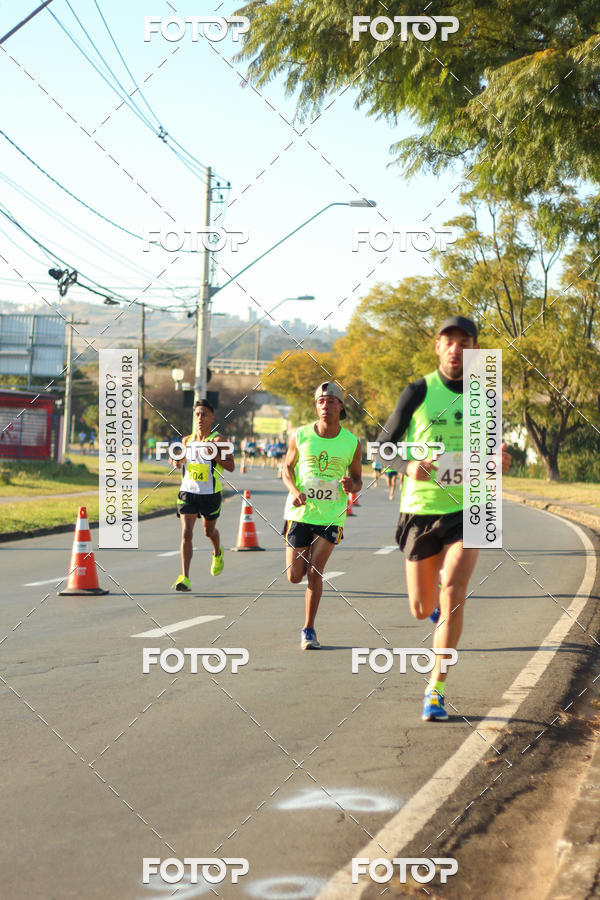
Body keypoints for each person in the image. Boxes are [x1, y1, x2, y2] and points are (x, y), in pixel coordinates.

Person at [375, 316, 511, 721]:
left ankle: (436, 687)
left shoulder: (484, 395)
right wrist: (407, 465)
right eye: (448, 342)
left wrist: (500, 460)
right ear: (437, 348)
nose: (456, 349)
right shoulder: (418, 391)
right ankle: (432, 608)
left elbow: (492, 454)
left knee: (453, 587)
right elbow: (382, 448)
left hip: (470, 505)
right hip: (420, 509)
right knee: (421, 608)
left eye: (464, 342)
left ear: (474, 349)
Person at [282, 382, 363, 649]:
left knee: (315, 571)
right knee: (295, 575)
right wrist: (293, 489)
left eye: (330, 401)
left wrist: (352, 486)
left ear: (341, 406)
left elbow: (359, 480)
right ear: (316, 406)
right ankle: (301, 569)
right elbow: (286, 468)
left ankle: (308, 630)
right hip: (301, 512)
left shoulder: (351, 442)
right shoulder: (301, 435)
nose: (325, 406)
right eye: (320, 402)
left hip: (331, 515)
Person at [170, 399, 235, 591]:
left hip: (210, 494)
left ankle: (217, 552)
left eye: (204, 414)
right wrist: (177, 462)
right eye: (197, 414)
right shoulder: (186, 440)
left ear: (211, 418)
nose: (200, 418)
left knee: (208, 531)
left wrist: (214, 454)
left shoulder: (219, 441)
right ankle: (185, 577)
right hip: (188, 492)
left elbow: (231, 466)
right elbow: (180, 460)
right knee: (186, 533)